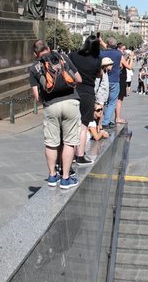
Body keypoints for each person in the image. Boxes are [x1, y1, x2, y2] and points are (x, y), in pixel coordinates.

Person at [28, 40, 83, 189]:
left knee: (51, 143)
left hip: (51, 105)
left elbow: (36, 96)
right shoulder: (63, 57)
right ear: (49, 48)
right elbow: (79, 79)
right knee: (69, 141)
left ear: (35, 54)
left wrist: (47, 99)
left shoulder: (34, 67)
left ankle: (52, 176)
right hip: (71, 102)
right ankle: (65, 178)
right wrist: (70, 88)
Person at [69, 34, 103, 165]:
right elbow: (100, 74)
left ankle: (68, 155)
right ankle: (80, 156)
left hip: (73, 91)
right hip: (88, 94)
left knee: (70, 126)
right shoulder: (96, 60)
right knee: (83, 127)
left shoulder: (73, 55)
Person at [100, 39, 124, 127]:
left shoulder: (101, 53)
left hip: (104, 79)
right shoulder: (118, 54)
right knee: (112, 102)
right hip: (115, 80)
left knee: (103, 101)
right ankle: (106, 121)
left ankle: (106, 119)